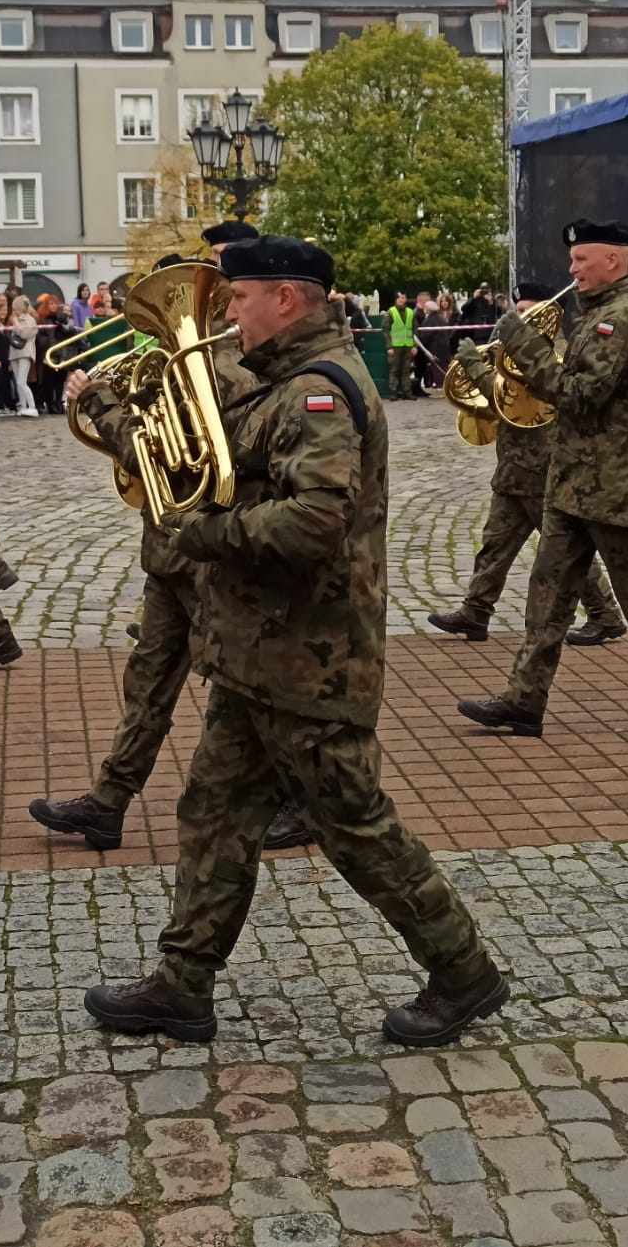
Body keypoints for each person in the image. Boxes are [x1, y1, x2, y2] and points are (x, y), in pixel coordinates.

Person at [79, 235, 507, 1047]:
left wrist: (205, 530)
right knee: (214, 811)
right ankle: (183, 981)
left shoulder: (321, 392)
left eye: (237, 299)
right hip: (259, 656)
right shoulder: (278, 385)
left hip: (312, 659)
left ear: (286, 298)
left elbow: (314, 520)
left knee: (355, 826)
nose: (225, 313)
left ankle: (463, 969)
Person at [31, 232, 309, 855]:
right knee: (148, 683)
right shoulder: (172, 369)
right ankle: (108, 802)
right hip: (167, 554)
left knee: (244, 688)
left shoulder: (228, 372)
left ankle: (299, 798)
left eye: (164, 310)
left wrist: (104, 408)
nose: (155, 324)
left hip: (211, 555)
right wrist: (114, 412)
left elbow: (175, 457)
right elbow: (143, 461)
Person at [454, 220, 628, 743]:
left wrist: (523, 346)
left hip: (612, 488)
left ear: (613, 262)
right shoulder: (597, 316)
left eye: (581, 261)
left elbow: (577, 394)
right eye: (572, 261)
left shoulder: (618, 321)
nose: (571, 271)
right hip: (574, 483)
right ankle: (524, 701)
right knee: (547, 598)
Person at [428, 281, 627, 648]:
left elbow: (509, 399)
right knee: (493, 546)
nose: (521, 318)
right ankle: (476, 612)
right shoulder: (516, 353)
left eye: (528, 312)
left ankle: (605, 615)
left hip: (543, 472)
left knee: (568, 552)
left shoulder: (554, 358)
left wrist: (474, 365)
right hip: (513, 472)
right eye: (518, 311)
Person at [8, 293, 39, 416]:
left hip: (25, 353)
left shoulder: (30, 319)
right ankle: (23, 406)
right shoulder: (16, 319)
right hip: (14, 353)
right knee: (18, 382)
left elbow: (25, 334)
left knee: (22, 381)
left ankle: (32, 407)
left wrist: (16, 323)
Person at [384, 290, 415, 399]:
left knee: (406, 370)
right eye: (400, 298)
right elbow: (386, 330)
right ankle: (394, 392)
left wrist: (414, 345)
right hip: (395, 345)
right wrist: (389, 346)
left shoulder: (411, 312)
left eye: (403, 297)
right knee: (394, 370)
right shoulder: (391, 312)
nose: (402, 300)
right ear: (396, 299)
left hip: (407, 345)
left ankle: (407, 392)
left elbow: (415, 330)